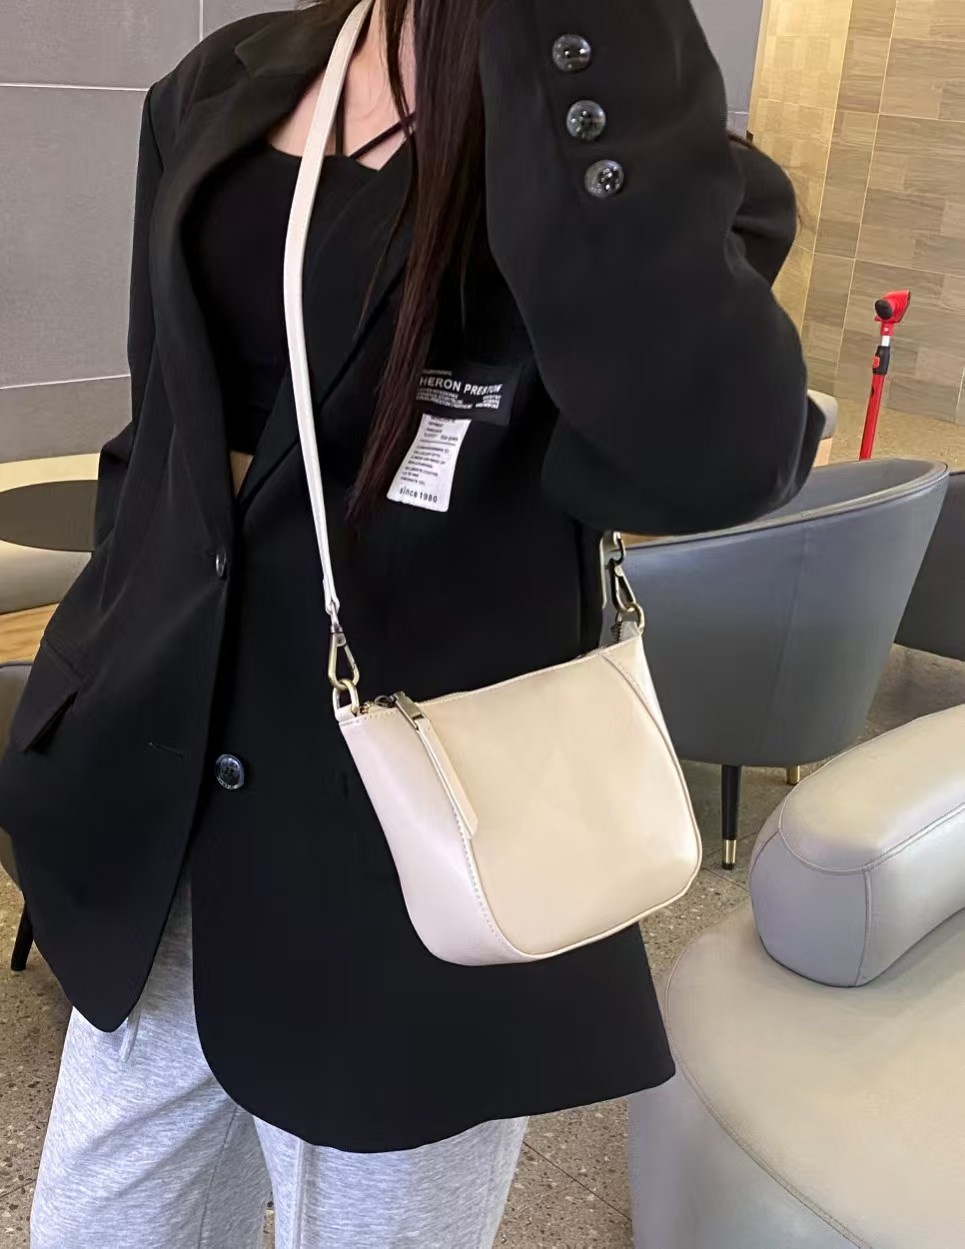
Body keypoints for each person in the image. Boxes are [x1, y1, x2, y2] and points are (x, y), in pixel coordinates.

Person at [0, 0, 823, 1244]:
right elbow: (159, 433)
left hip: (421, 859)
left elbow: (712, 456)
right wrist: (91, 674)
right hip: (164, 834)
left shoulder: (618, 118)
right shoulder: (227, 80)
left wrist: (574, 33)